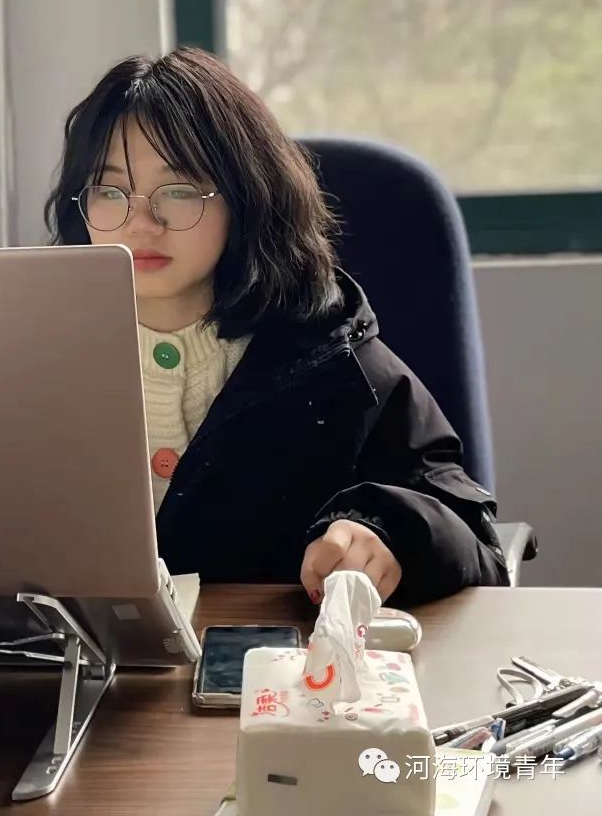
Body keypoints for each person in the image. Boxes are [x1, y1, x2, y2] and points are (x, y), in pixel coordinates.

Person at [44, 47, 509, 606]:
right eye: (109, 191)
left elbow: (478, 543)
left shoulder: (329, 358)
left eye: (179, 190)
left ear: (245, 198)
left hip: (273, 656)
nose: (140, 222)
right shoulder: (38, 359)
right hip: (71, 657)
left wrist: (386, 533)